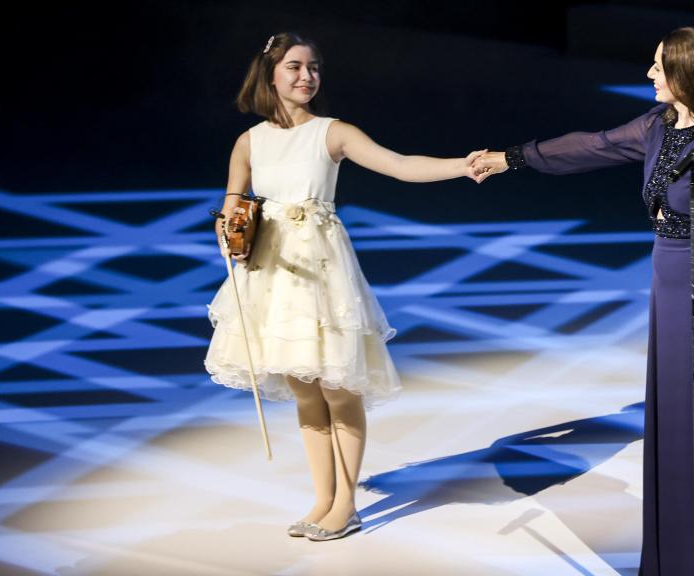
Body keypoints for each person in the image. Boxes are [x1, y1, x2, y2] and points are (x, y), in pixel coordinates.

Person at [474, 26, 694, 576]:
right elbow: (588, 145)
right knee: (677, 420)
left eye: (660, 66)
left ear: (688, 74)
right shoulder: (655, 127)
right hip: (671, 285)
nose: (650, 74)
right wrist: (512, 158)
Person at [204, 32, 485, 542]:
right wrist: (229, 232)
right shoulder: (249, 141)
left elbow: (399, 165)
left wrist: (459, 167)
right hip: (272, 273)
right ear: (269, 74)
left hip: (321, 270)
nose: (306, 76)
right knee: (303, 389)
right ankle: (322, 498)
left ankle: (346, 504)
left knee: (337, 385)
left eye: (313, 68)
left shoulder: (331, 133)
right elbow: (232, 202)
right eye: (294, 67)